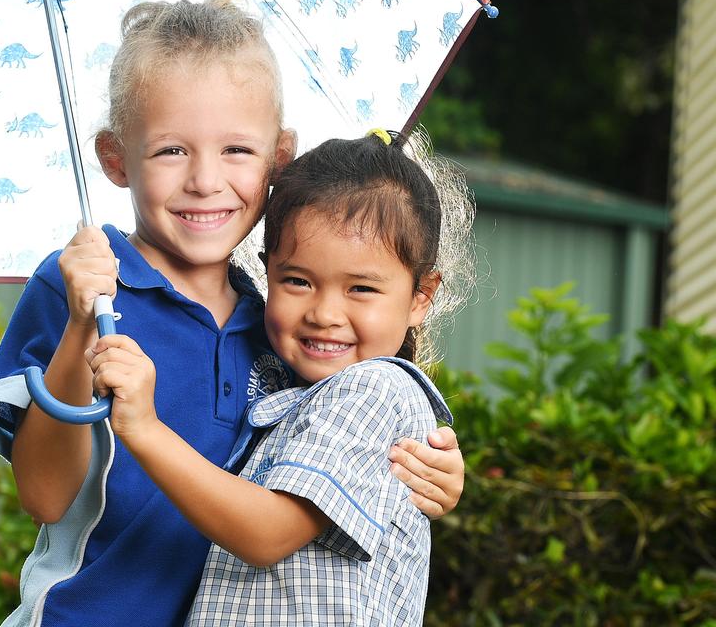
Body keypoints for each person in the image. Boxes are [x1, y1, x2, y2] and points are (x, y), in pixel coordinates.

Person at [0, 0, 464, 627]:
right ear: (117, 159)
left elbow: (345, 439)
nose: (205, 180)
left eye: (236, 151)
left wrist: (427, 474)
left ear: (277, 158)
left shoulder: (281, 324)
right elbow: (42, 497)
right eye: (172, 151)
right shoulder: (83, 288)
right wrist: (78, 330)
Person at [86, 129, 471, 625]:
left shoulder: (375, 388)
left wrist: (144, 428)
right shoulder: (282, 381)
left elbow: (265, 534)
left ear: (421, 296)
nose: (325, 313)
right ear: (266, 270)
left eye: (361, 289)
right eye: (297, 281)